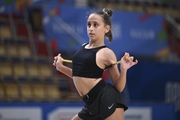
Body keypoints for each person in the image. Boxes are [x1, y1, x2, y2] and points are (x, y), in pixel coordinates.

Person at [53, 8, 138, 120]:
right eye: (89, 25)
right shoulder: (83, 47)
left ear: (106, 28)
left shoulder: (107, 53)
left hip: (107, 99)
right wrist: (60, 67)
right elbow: (80, 75)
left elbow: (119, 87)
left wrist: (124, 69)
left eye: (95, 25)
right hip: (91, 104)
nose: (91, 28)